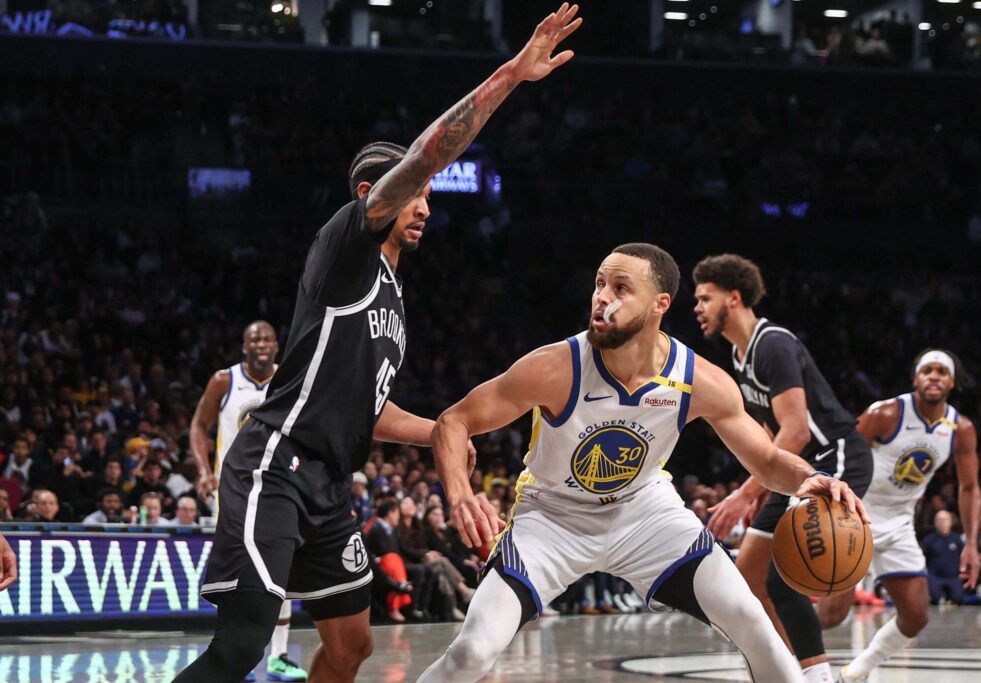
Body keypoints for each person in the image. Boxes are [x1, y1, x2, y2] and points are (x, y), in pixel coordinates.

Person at [175, 7, 580, 681]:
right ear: (377, 196)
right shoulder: (347, 245)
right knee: (243, 645)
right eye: (417, 195)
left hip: (331, 482)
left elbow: (368, 406)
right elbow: (430, 151)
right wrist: (512, 74)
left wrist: (441, 429)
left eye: (426, 196)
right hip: (277, 463)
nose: (427, 204)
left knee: (352, 646)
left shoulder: (392, 293)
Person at [417, 243, 869, 683]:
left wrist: (810, 478)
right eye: (599, 284)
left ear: (660, 304)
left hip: (644, 513)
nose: (602, 297)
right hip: (551, 516)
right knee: (472, 650)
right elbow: (453, 422)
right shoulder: (556, 367)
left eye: (620, 288)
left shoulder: (698, 380)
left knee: (756, 626)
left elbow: (767, 458)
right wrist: (459, 497)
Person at [693, 254, 874, 683]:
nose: (697, 308)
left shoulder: (772, 343)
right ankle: (791, 670)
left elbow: (794, 432)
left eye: (705, 298)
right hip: (797, 471)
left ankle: (816, 676)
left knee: (779, 581)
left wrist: (745, 494)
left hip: (834, 458)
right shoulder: (741, 358)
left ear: (733, 298)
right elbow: (769, 437)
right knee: (748, 581)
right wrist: (763, 488)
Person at [814, 348, 980, 680]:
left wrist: (971, 543)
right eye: (927, 370)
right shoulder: (887, 413)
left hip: (900, 521)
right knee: (832, 614)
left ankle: (854, 673)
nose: (934, 376)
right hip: (855, 514)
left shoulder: (960, 428)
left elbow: (969, 488)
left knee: (916, 615)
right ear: (915, 378)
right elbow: (840, 454)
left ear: (953, 381)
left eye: (941, 371)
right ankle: (773, 648)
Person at [189, 320, 305, 682]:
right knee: (239, 578)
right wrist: (203, 470)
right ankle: (236, 654)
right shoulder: (225, 380)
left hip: (280, 489)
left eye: (267, 338)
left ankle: (280, 656)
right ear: (244, 345)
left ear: (276, 345)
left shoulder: (290, 377)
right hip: (235, 492)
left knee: (281, 574)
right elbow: (198, 425)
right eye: (254, 338)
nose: (261, 343)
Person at [922, 510, 966, 604]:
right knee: (935, 598)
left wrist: (963, 571)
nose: (942, 522)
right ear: (935, 522)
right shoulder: (929, 540)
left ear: (950, 522)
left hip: (953, 576)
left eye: (944, 520)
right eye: (939, 520)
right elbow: (922, 557)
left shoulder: (957, 539)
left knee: (958, 598)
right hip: (935, 576)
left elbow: (964, 555)